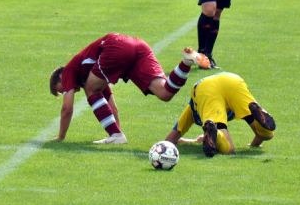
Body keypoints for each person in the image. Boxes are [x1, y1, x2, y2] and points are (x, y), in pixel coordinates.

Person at [49, 32, 206, 144]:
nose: (65, 91)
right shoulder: (94, 77)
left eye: (60, 89)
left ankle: (115, 135)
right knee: (164, 93)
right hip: (138, 46)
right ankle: (185, 63)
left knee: (90, 88)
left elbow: (67, 109)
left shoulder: (69, 70)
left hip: (116, 46)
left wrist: (61, 137)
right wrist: (118, 132)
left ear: (61, 77)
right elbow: (112, 107)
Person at [165, 72, 275, 157]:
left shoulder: (192, 110)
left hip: (206, 88)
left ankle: (216, 134)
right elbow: (260, 135)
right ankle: (261, 112)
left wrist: (190, 140)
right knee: (267, 134)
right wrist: (254, 145)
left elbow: (170, 140)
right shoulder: (201, 106)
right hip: (233, 80)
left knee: (228, 149)